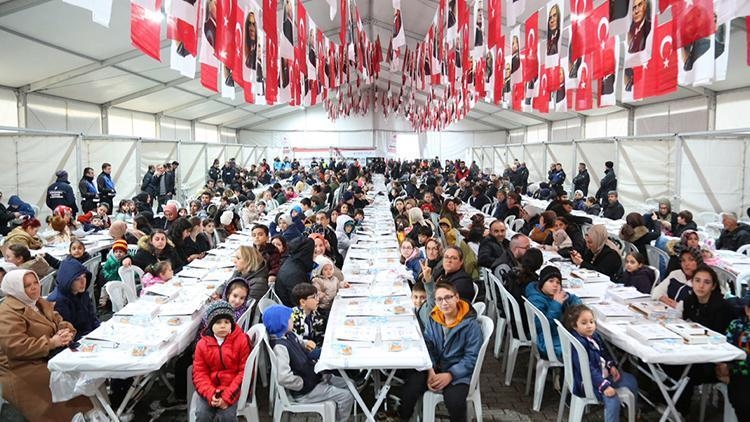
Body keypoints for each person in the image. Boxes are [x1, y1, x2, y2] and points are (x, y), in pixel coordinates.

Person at [0, 269, 93, 421]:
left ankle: (87, 412)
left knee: (84, 367)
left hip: (48, 354)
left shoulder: (38, 302)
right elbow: (15, 347)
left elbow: (59, 321)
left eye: (36, 282)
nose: (34, 287)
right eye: (27, 285)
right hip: (20, 366)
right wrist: (51, 342)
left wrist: (66, 331)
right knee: (67, 378)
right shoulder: (6, 313)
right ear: (15, 289)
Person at [391, 282, 483, 422]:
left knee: (454, 402)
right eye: (439, 299)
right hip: (436, 367)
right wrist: (431, 369)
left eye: (448, 297)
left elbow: (472, 358)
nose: (444, 303)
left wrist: (451, 375)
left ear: (457, 297)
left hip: (459, 373)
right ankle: (401, 417)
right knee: (412, 384)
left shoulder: (471, 325)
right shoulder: (435, 317)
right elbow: (428, 344)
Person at [263, 304, 354, 421]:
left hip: (314, 377)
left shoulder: (288, 334)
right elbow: (283, 377)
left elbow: (299, 341)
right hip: (306, 391)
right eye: (289, 319)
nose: (292, 321)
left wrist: (306, 344)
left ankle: (344, 413)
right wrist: (302, 384)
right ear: (282, 323)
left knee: (350, 384)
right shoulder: (280, 347)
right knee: (346, 396)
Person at [668, 266, 735, 416]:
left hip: (717, 359)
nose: (701, 285)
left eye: (706, 282)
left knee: (684, 370)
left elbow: (721, 339)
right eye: (697, 281)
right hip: (694, 350)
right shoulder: (690, 301)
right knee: (668, 364)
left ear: (714, 286)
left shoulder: (721, 307)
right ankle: (669, 403)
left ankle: (679, 411)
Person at [564, 304, 638, 422]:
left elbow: (604, 353)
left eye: (591, 322)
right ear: (575, 326)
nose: (589, 326)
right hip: (590, 383)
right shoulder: (579, 345)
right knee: (612, 400)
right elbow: (587, 369)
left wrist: (611, 366)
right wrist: (604, 385)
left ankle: (632, 414)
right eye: (584, 323)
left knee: (631, 380)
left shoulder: (594, 336)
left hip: (603, 374)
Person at [192, 300, 251, 422]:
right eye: (218, 322)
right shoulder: (202, 344)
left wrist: (227, 397)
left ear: (232, 323)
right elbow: (199, 373)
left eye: (227, 322)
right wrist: (210, 394)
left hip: (233, 388)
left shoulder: (241, 341)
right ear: (209, 325)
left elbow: (245, 372)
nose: (223, 325)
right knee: (202, 414)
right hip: (210, 387)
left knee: (227, 416)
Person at [526, 266, 582, 359]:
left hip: (557, 334)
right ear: (542, 283)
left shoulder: (555, 295)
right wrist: (556, 304)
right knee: (579, 351)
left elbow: (573, 298)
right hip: (545, 340)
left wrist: (576, 304)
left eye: (558, 282)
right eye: (551, 281)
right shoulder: (535, 299)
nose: (555, 285)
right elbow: (541, 326)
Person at [46, 258, 99, 341]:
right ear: (67, 280)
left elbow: (92, 318)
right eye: (77, 279)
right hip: (76, 341)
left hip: (90, 335)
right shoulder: (58, 301)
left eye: (84, 277)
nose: (83, 282)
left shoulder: (82, 293)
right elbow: (68, 332)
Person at [719, 291, 750, 421]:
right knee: (742, 401)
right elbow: (727, 348)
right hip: (739, 374)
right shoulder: (737, 325)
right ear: (747, 310)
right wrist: (724, 365)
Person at [275, 237, 315, 307]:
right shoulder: (295, 274)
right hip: (291, 309)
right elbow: (300, 302)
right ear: (307, 253)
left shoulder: (293, 261)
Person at [290, 283, 325, 359]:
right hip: (303, 354)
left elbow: (319, 331)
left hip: (313, 346)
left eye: (317, 296)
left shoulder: (313, 312)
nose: (317, 299)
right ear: (303, 302)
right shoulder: (296, 317)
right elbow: (298, 342)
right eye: (313, 297)